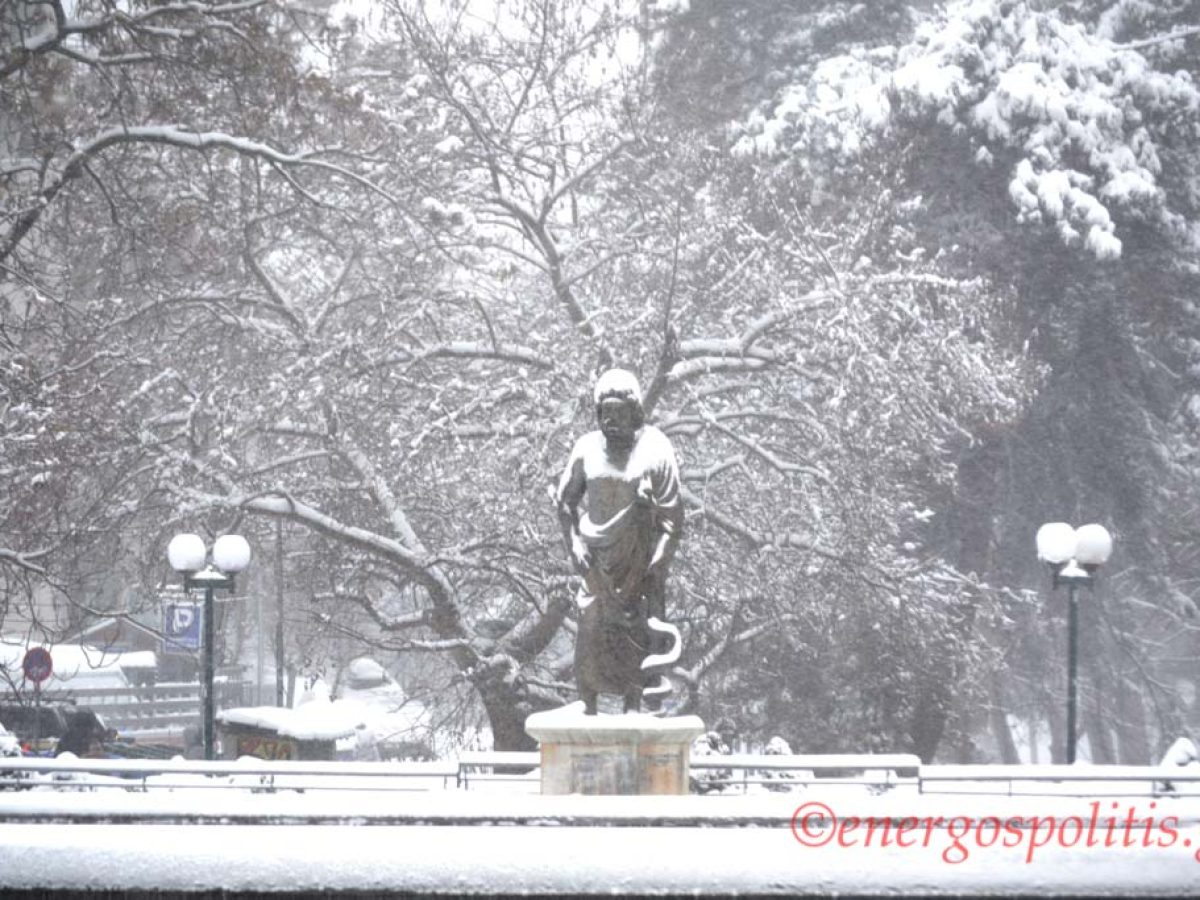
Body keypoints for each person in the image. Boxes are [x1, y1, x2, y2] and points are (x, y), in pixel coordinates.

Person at [556, 368, 684, 714]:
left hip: (639, 564)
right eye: (604, 413)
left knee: (636, 636)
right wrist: (576, 545)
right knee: (590, 631)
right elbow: (564, 503)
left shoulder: (656, 449)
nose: (611, 421)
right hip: (596, 562)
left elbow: (673, 522)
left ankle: (633, 705)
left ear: (635, 413)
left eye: (619, 412)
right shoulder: (585, 449)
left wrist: (655, 569)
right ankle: (588, 705)